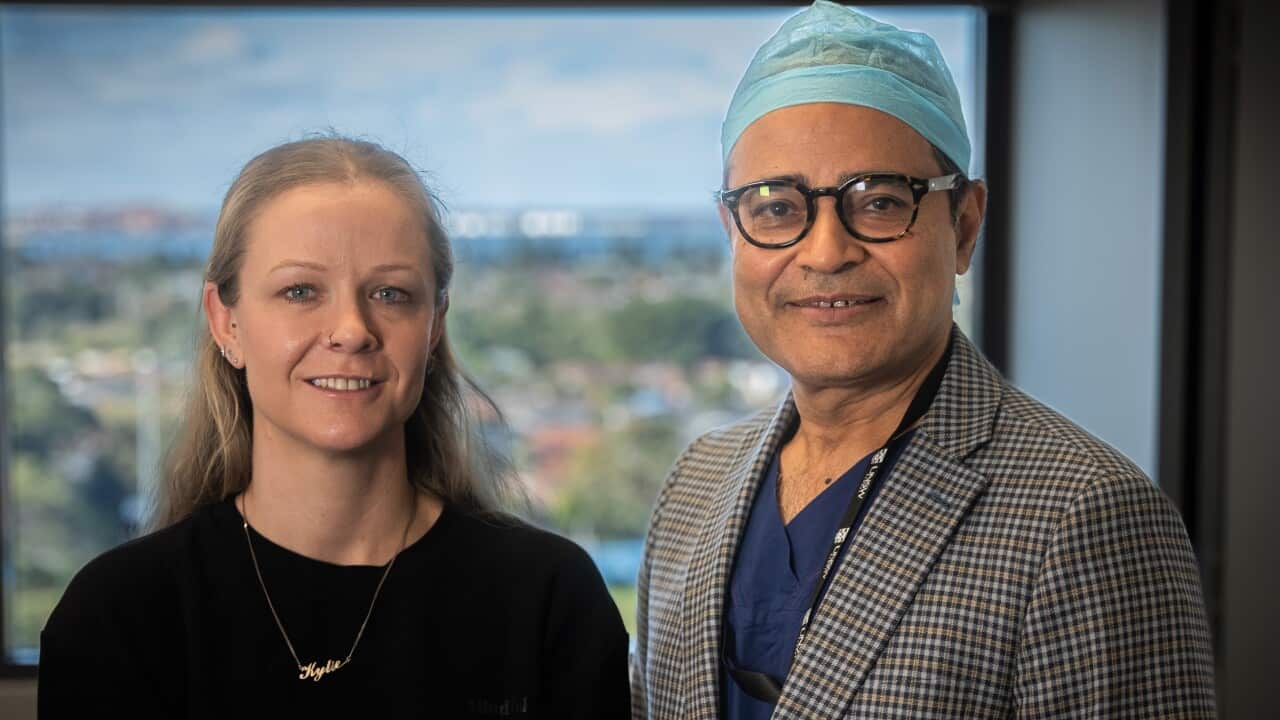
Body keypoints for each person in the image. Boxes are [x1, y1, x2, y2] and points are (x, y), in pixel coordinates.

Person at [631, 3, 1216, 718]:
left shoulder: (1083, 515)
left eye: (879, 202)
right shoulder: (695, 486)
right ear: (733, 230)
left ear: (964, 225)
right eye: (777, 207)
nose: (825, 252)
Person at [39, 136, 630, 718]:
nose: (351, 329)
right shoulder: (115, 617)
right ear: (227, 323)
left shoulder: (550, 601)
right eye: (300, 291)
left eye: (391, 293)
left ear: (434, 327)